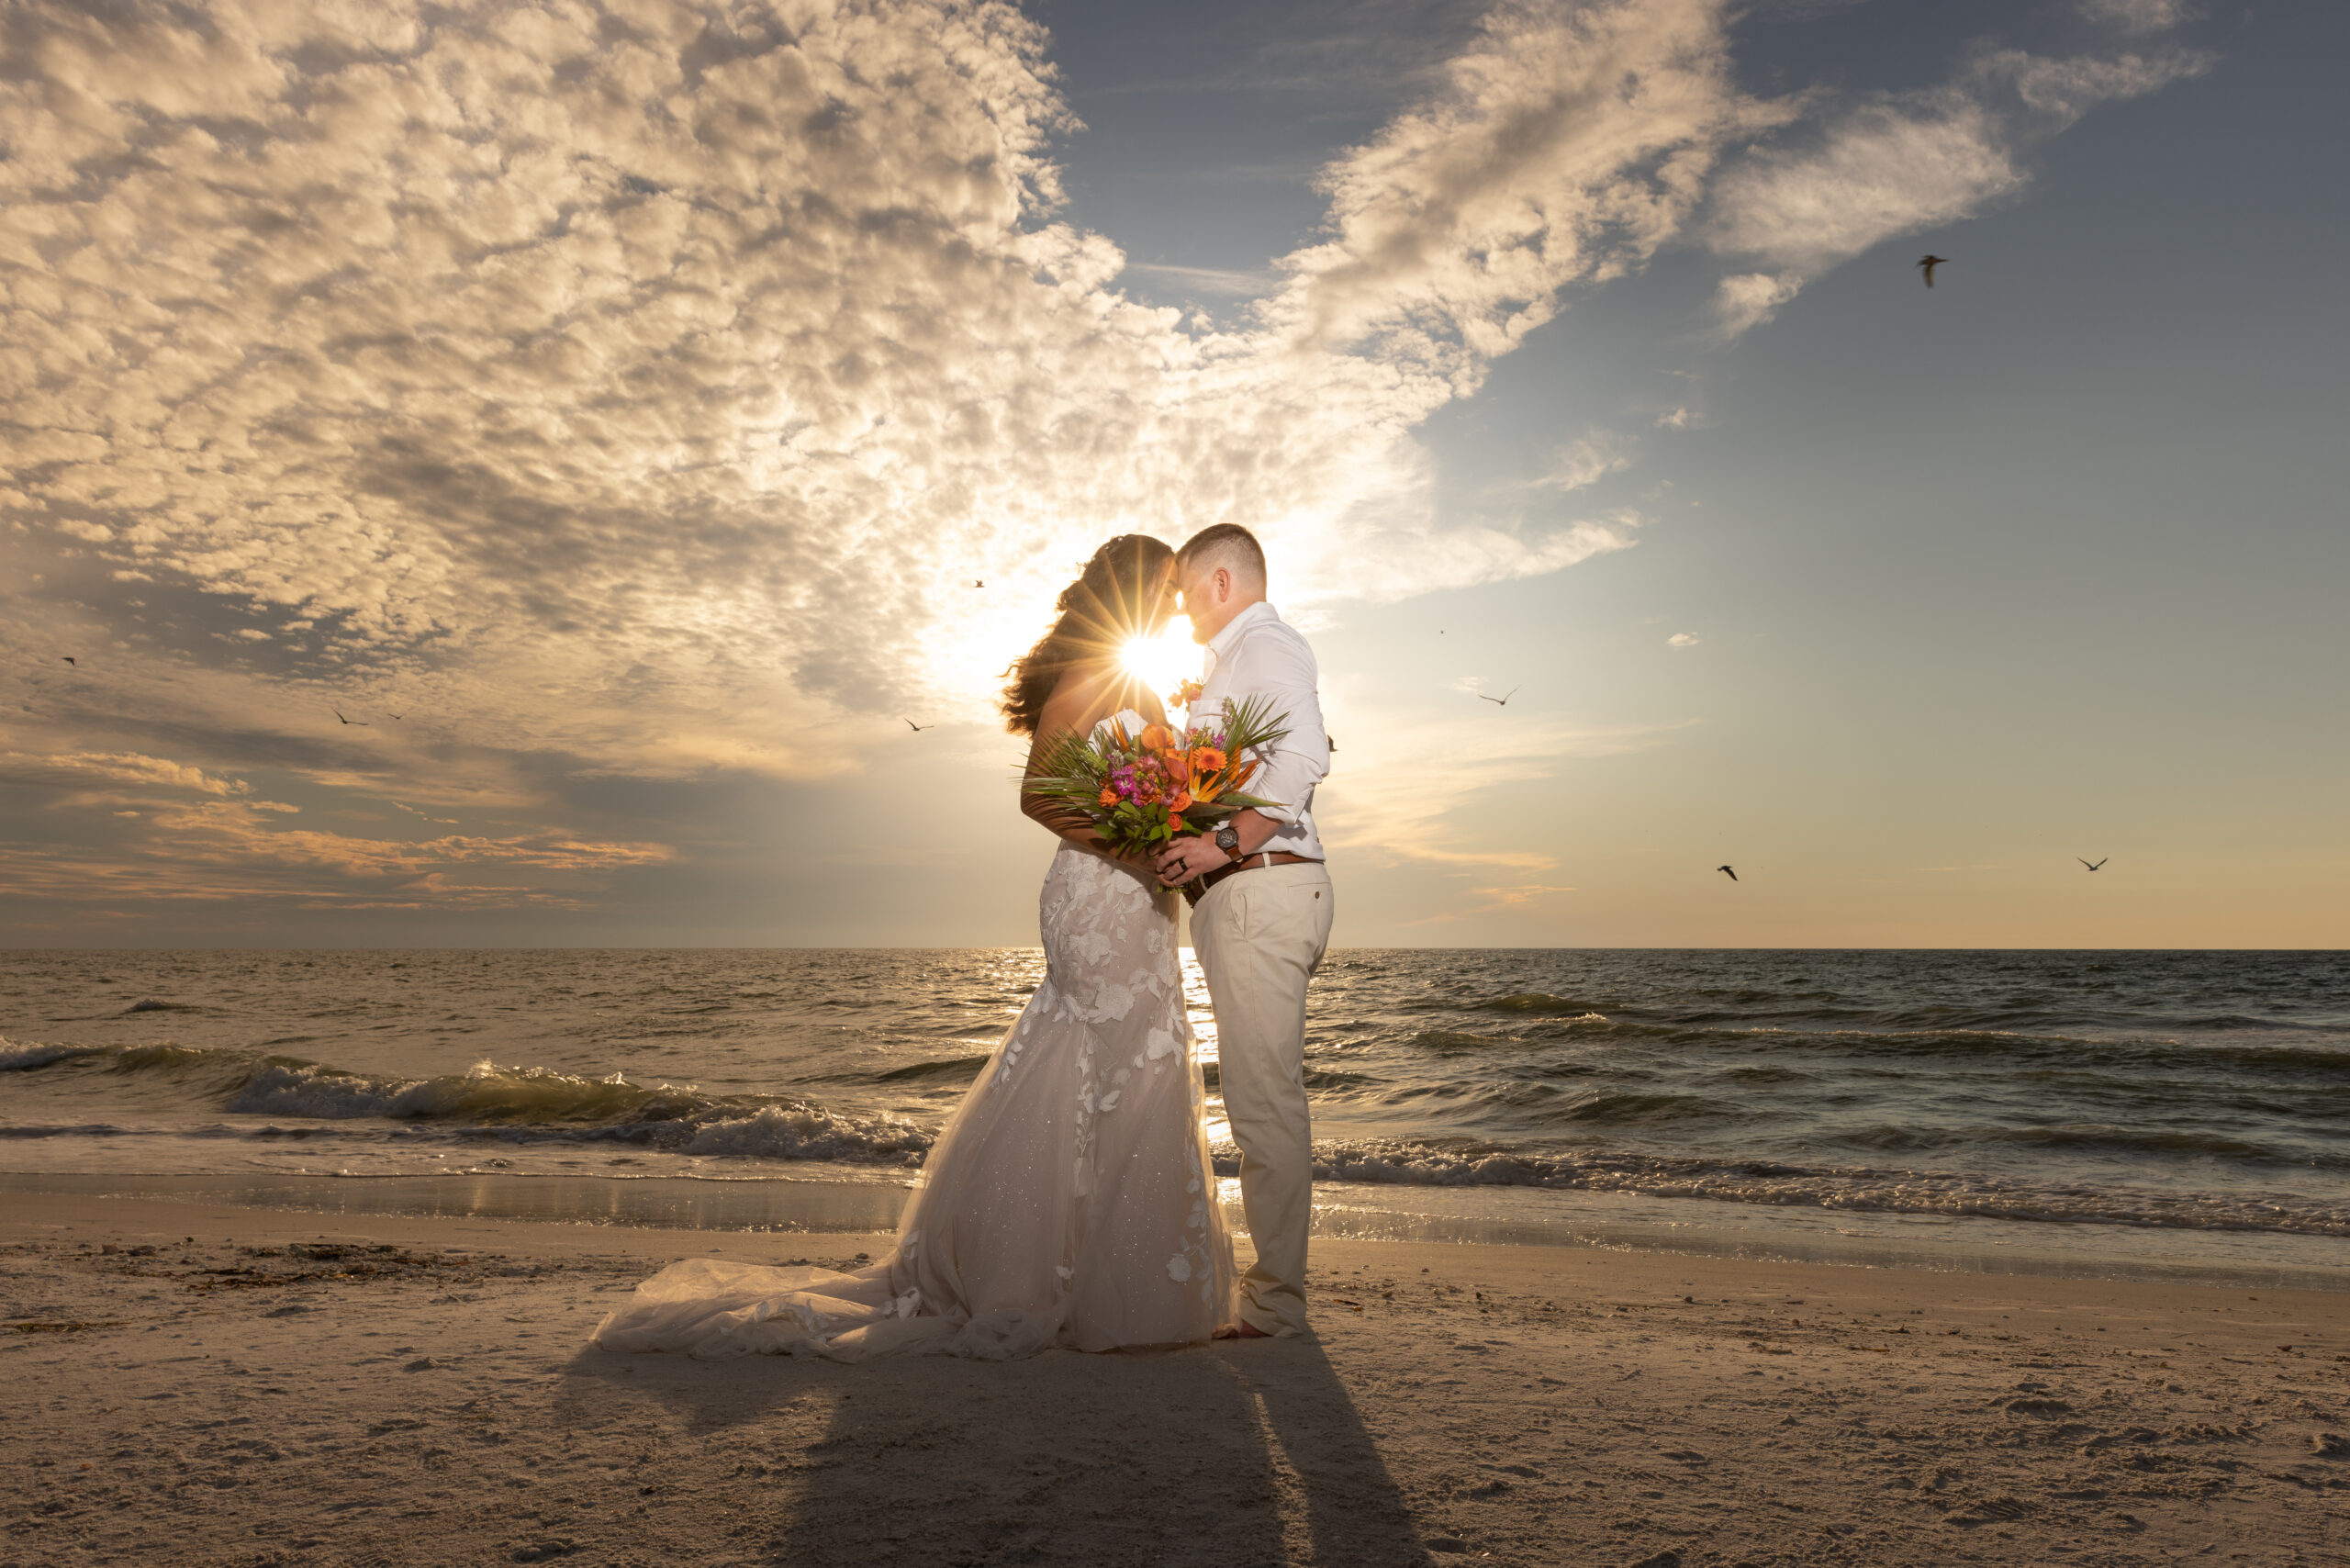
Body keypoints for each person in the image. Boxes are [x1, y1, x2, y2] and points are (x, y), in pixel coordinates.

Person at [590, 535, 1237, 1360]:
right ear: (1132, 595)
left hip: (1142, 901)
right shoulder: (1089, 679)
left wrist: (1177, 839)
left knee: (1143, 1064)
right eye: (1168, 590)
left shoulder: (1140, 683)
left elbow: (1154, 797)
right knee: (1093, 1056)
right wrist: (1135, 851)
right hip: (1098, 896)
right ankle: (1040, 1275)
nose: (1178, 604)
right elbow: (1041, 791)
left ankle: (1130, 1278)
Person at [1152, 523, 1333, 1339]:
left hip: (1262, 888)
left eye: (1189, 591)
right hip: (1247, 895)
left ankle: (1276, 1304)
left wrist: (1221, 844)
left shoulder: (1267, 646)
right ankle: (1275, 1291)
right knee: (1260, 1098)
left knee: (1264, 1106)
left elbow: (1301, 762)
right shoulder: (1235, 663)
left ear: (1222, 583)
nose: (1183, 609)